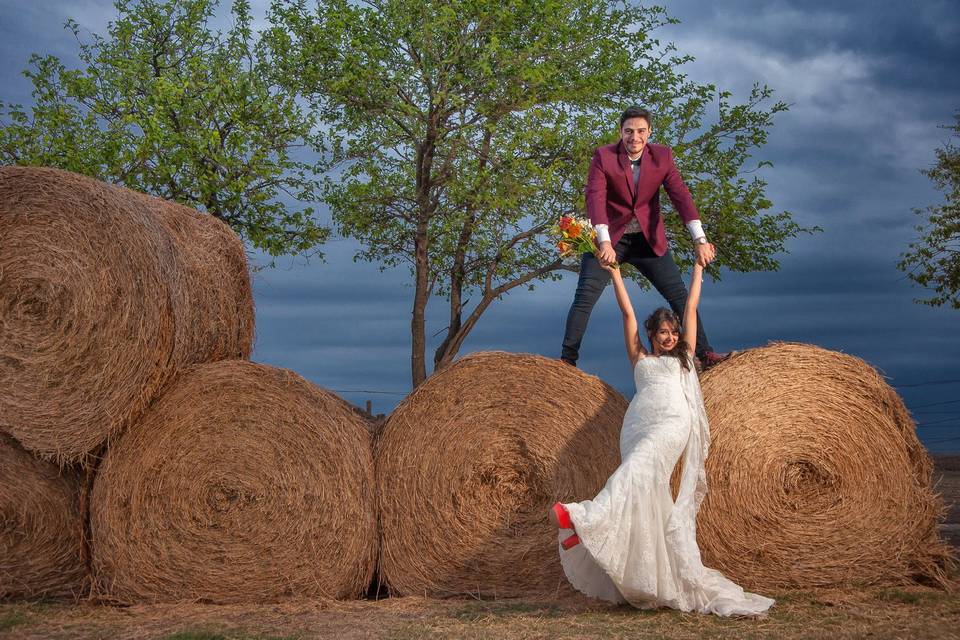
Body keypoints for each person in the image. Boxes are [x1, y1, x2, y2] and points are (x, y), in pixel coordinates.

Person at [549, 259, 773, 616]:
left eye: (672, 332)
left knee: (636, 470)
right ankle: (651, 578)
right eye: (662, 333)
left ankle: (585, 518)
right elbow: (627, 315)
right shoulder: (639, 357)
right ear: (652, 336)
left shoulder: (684, 357)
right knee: (646, 496)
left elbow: (693, 307)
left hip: (672, 424)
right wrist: (616, 274)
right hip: (638, 425)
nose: (669, 337)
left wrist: (698, 270)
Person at [561, 105, 729, 370]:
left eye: (640, 131)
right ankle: (567, 361)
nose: (634, 137)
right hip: (611, 238)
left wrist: (700, 239)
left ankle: (705, 354)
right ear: (620, 132)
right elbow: (595, 198)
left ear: (649, 132)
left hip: (648, 240)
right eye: (628, 131)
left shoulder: (662, 157)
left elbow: (681, 196)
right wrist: (603, 241)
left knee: (679, 296)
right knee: (585, 296)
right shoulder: (603, 157)